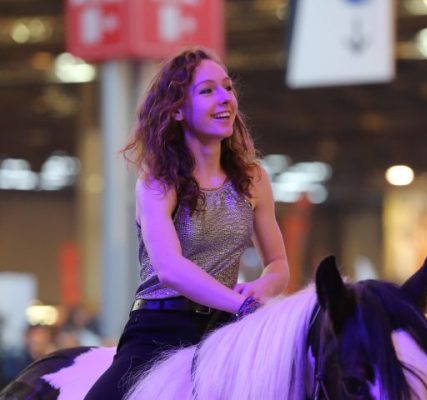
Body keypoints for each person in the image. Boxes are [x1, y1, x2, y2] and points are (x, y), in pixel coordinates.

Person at [84, 48, 289, 399]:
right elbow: (170, 270)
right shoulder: (158, 181)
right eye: (208, 90)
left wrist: (265, 287)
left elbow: (279, 264)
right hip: (160, 328)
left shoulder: (254, 178)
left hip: (226, 331)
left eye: (227, 88)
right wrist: (240, 303)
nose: (225, 97)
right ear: (177, 109)